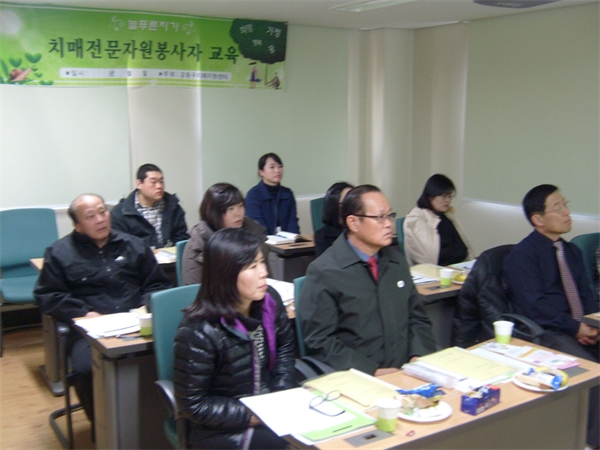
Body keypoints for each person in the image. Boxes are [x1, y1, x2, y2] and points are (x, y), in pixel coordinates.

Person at [34, 194, 171, 429]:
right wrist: (84, 312)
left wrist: (146, 305)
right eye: (90, 216)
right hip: (90, 331)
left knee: (168, 354)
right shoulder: (59, 253)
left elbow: (157, 284)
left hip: (138, 322)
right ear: (77, 225)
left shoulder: (134, 245)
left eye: (103, 212)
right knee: (86, 369)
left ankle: (153, 425)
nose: (100, 219)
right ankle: (102, 428)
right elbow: (49, 295)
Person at [173, 228, 296, 449]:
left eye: (262, 262)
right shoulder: (198, 330)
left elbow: (284, 348)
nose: (264, 272)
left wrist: (280, 393)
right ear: (226, 274)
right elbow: (193, 404)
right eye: (252, 266)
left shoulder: (269, 301)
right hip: (222, 427)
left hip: (269, 406)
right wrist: (252, 415)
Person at [298, 185, 436, 376]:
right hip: (360, 377)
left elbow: (417, 317)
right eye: (380, 217)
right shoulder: (325, 271)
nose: (389, 224)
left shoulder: (397, 262)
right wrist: (371, 371)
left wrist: (418, 356)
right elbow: (319, 340)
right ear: (353, 223)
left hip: (407, 371)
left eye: (390, 216)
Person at [503, 184, 599, 449]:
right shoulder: (522, 256)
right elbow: (535, 307)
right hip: (547, 331)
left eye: (565, 204)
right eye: (558, 207)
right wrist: (575, 328)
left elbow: (586, 292)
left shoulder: (572, 251)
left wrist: (592, 323)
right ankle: (590, 441)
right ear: (538, 219)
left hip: (580, 325)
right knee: (592, 372)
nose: (567, 212)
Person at [182, 183, 268, 286]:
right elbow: (193, 289)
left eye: (240, 206)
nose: (238, 213)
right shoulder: (198, 243)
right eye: (230, 209)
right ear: (214, 213)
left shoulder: (253, 233)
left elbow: (267, 280)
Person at [111, 163, 188, 248]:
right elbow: (120, 246)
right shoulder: (121, 212)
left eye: (161, 182)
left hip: (168, 255)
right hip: (138, 255)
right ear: (139, 184)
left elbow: (181, 239)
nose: (159, 186)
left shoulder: (173, 207)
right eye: (153, 182)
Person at [403, 174, 474, 266]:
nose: (448, 200)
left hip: (459, 267)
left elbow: (464, 248)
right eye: (444, 196)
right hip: (438, 271)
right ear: (430, 196)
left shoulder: (448, 216)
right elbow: (428, 259)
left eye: (450, 196)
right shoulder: (417, 219)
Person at [245, 153, 300, 235]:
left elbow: (292, 222)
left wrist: (294, 239)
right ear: (261, 172)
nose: (277, 170)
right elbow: (258, 227)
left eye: (280, 166)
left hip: (287, 241)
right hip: (263, 241)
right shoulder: (253, 195)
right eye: (272, 167)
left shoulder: (287, 194)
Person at [314, 181, 354, 256]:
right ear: (334, 205)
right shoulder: (323, 236)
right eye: (347, 203)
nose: (353, 206)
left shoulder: (363, 229)